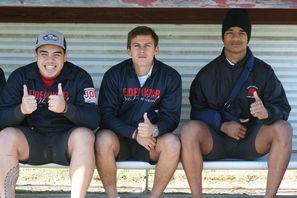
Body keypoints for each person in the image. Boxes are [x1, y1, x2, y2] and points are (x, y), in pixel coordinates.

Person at [180, 9, 292, 198]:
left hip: (251, 140)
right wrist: (222, 124)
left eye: (242, 32)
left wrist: (267, 113)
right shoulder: (207, 73)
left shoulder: (263, 71)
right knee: (189, 130)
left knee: (284, 129)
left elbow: (283, 108)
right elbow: (196, 112)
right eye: (230, 32)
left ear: (248, 37)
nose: (236, 37)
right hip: (216, 141)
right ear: (223, 37)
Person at [0, 30, 100, 198]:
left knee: (85, 135)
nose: (50, 60)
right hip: (32, 141)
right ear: (35, 56)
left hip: (67, 143)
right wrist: (21, 110)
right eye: (44, 54)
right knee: (5, 136)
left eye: (57, 54)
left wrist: (67, 109)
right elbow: (1, 118)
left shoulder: (80, 76)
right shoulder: (20, 76)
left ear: (65, 56)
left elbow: (94, 120)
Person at [95, 26, 182, 198]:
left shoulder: (170, 77)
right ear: (129, 50)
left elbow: (171, 117)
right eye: (136, 46)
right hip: (119, 140)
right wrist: (134, 133)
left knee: (172, 143)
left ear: (156, 49)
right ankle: (113, 196)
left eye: (147, 45)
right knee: (102, 139)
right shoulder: (114, 75)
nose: (142, 51)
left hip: (151, 142)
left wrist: (154, 130)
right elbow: (105, 115)